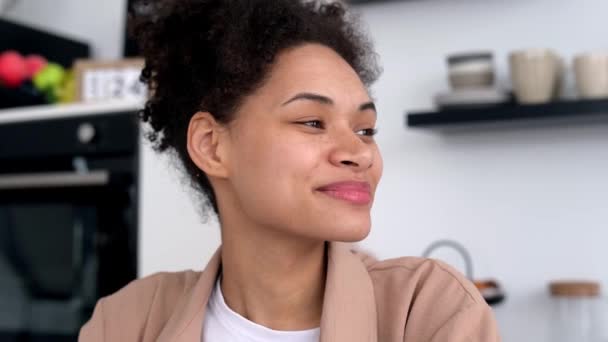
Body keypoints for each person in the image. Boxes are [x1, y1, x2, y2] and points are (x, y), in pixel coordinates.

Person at [79, 0, 500, 341]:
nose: (360, 153)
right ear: (211, 145)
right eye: (312, 122)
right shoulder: (124, 323)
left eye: (366, 129)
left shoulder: (427, 309)